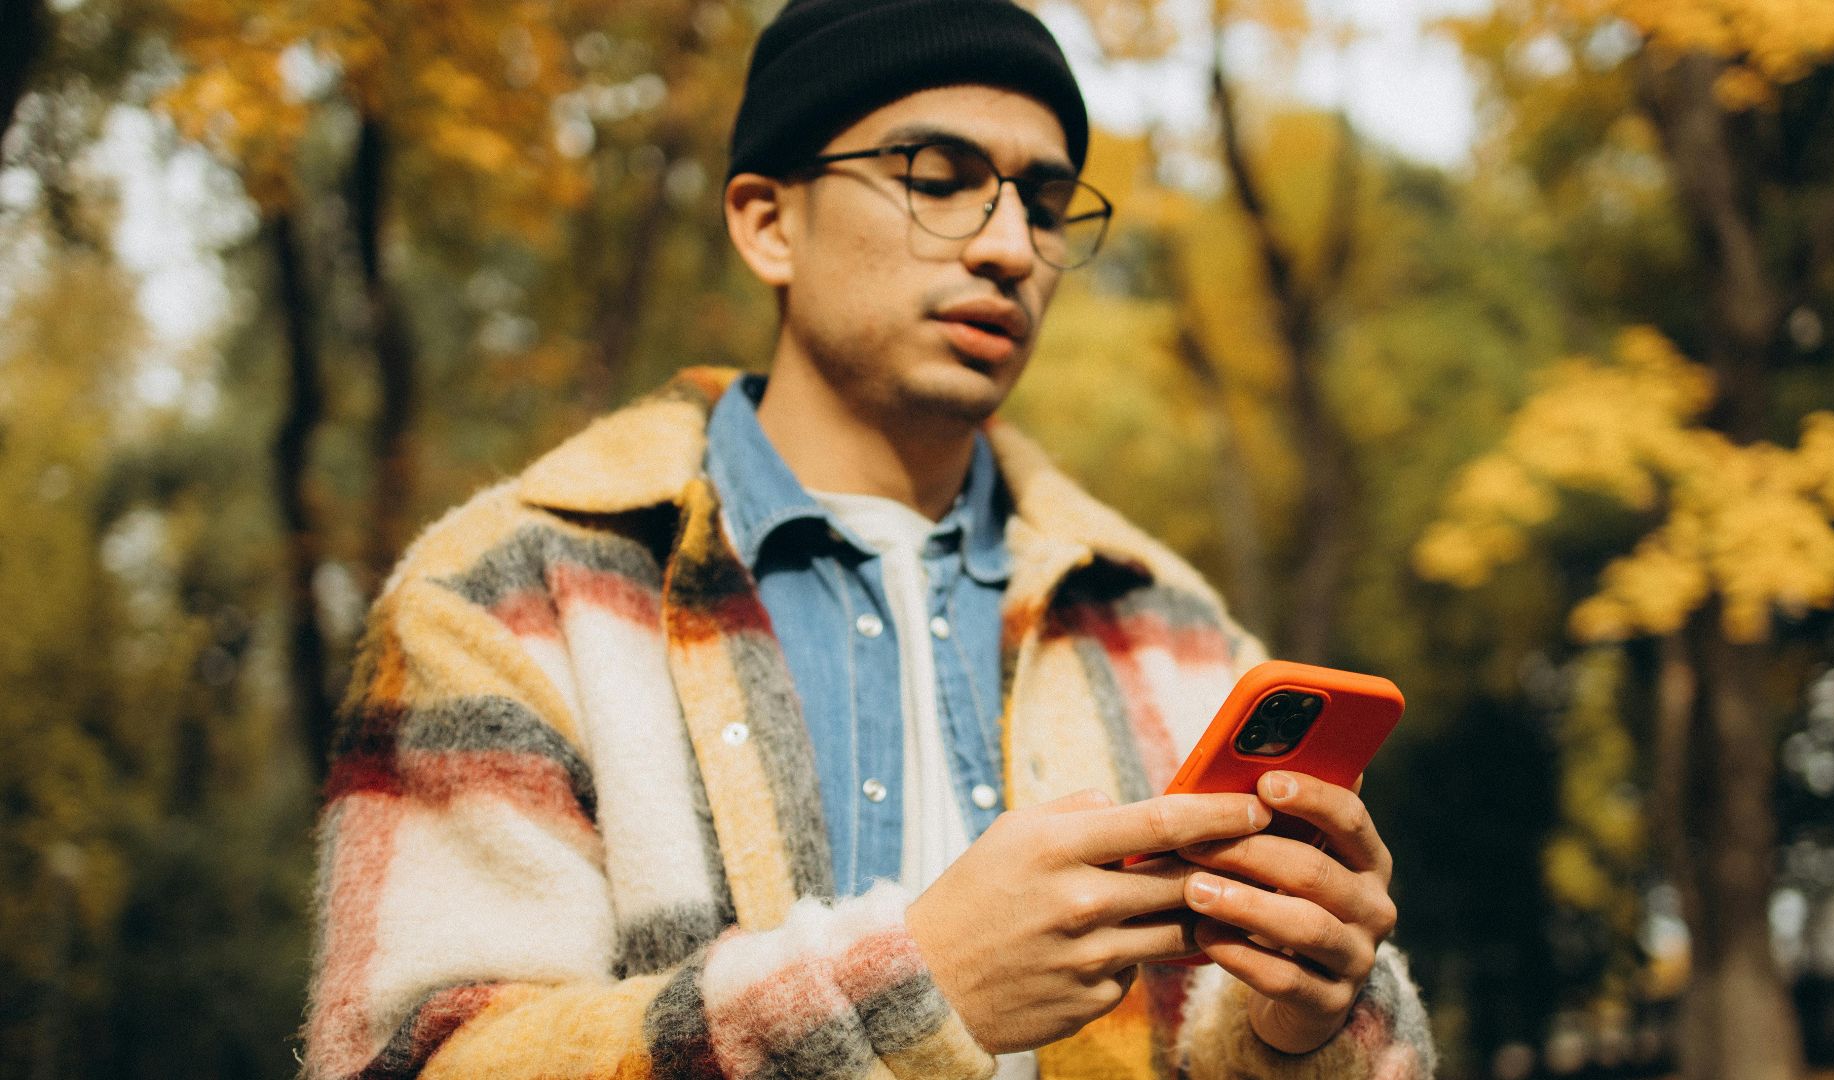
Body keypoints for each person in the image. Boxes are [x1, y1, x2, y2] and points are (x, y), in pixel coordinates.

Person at [299, 1, 1434, 1077]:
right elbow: (416, 1056)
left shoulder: (1166, 627)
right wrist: (912, 987)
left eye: (1044, 205)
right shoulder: (510, 595)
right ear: (766, 221)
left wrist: (1302, 1024)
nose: (1008, 248)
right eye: (939, 182)